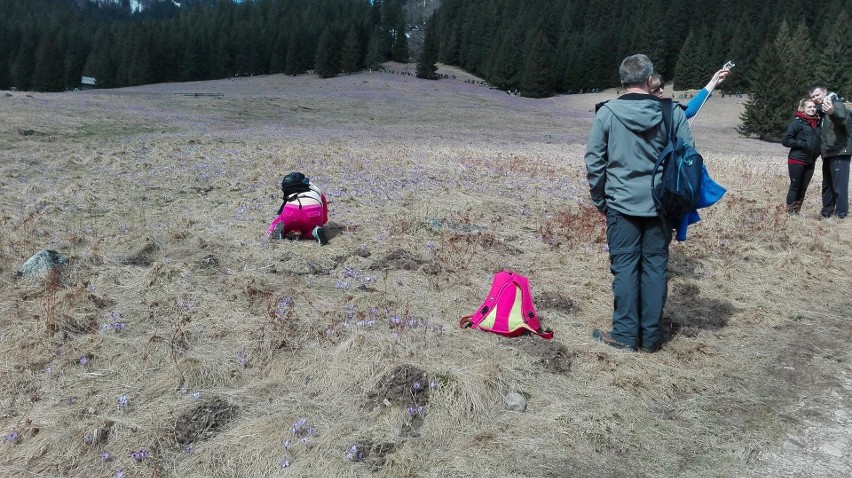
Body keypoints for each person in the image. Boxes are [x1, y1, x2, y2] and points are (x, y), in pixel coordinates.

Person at [584, 54, 695, 353]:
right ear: (649, 81)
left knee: (625, 268)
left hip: (620, 205)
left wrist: (600, 200)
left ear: (622, 82)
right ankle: (650, 338)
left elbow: (595, 163)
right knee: (655, 268)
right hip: (661, 205)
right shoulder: (673, 112)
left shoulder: (606, 113)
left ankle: (624, 334)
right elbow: (689, 156)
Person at [808, 85, 850, 219]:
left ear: (825, 92)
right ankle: (826, 213)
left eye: (817, 95)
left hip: (839, 151)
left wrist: (832, 111)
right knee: (827, 185)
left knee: (839, 186)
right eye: (812, 97)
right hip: (828, 152)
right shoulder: (820, 111)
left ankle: (841, 215)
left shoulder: (836, 104)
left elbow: (842, 119)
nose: (815, 99)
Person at [781, 98, 821, 214]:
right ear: (802, 109)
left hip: (811, 161)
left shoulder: (817, 124)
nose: (813, 109)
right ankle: (789, 213)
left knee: (803, 188)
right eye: (809, 107)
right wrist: (802, 144)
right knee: (795, 186)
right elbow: (786, 140)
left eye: (814, 107)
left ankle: (796, 212)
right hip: (797, 159)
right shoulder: (797, 123)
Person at [265, 172, 329, 244]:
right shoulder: (316, 189)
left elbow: (281, 214)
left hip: (291, 211)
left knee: (283, 224)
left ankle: (276, 231)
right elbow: (324, 219)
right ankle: (314, 231)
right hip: (313, 212)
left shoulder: (291, 190)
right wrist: (321, 223)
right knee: (310, 230)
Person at [649, 68, 731, 119]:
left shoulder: (667, 112)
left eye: (662, 86)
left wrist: (713, 83)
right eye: (656, 89)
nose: (661, 90)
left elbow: (689, 110)